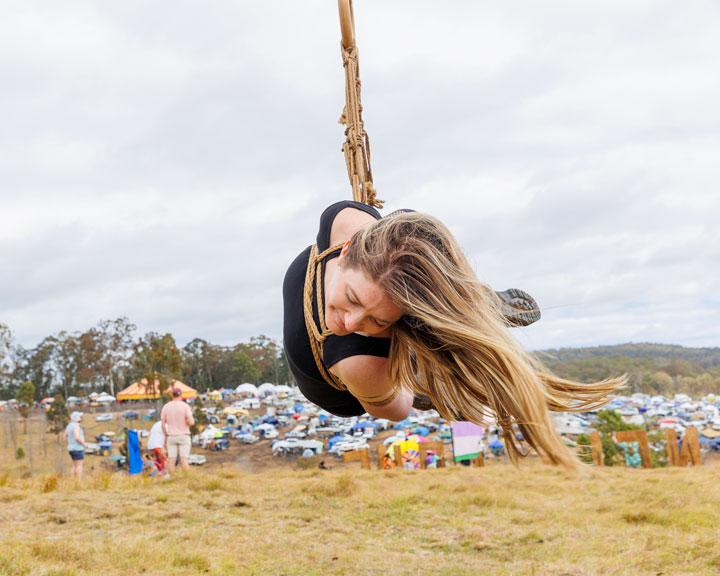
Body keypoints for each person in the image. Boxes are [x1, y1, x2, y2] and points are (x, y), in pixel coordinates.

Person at [283, 200, 626, 469]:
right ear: (345, 251)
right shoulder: (345, 221)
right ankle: (464, 305)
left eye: (378, 320)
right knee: (407, 231)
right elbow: (398, 409)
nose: (351, 323)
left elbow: (398, 410)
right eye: (353, 299)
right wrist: (390, 340)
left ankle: (454, 312)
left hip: (362, 368)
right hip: (335, 382)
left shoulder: (364, 360)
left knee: (409, 235)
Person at [161, 387, 195, 474]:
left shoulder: (166, 406)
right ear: (181, 395)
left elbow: (163, 424)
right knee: (184, 459)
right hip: (183, 435)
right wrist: (186, 422)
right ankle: (185, 478)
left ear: (172, 395)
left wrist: (166, 435)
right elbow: (191, 422)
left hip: (171, 436)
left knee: (171, 460)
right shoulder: (185, 406)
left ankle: (171, 477)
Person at [63, 411, 89, 481]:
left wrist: (70, 443)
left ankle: (72, 479)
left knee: (74, 465)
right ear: (77, 418)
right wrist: (84, 444)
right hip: (78, 448)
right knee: (79, 465)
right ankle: (78, 481)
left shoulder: (69, 426)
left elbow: (64, 436)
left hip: (71, 448)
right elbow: (77, 437)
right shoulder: (76, 426)